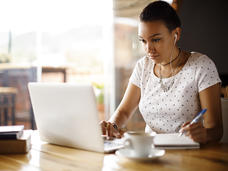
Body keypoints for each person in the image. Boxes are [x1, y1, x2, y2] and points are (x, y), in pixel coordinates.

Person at [100, 1, 223, 143]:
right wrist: (112, 126)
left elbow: (216, 130)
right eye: (143, 41)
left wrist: (205, 134)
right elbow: (124, 112)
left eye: (156, 40)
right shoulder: (143, 66)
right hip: (150, 152)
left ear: (176, 34)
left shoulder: (201, 66)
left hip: (189, 155)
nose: (148, 49)